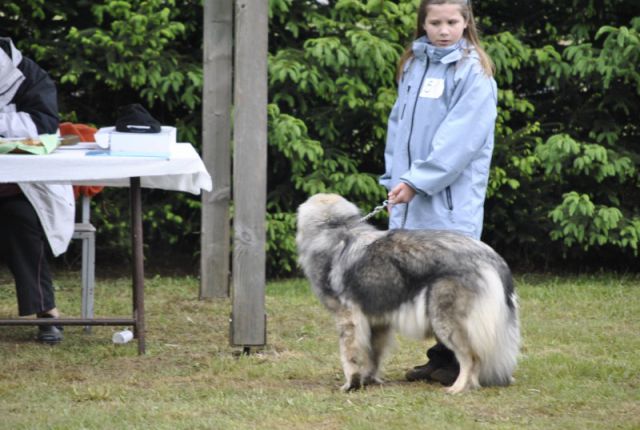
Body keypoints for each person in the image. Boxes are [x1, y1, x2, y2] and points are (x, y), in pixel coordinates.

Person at [379, 0, 498, 385]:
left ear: (466, 23)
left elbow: (460, 140)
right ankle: (440, 356)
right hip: (411, 193)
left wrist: (418, 180)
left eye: (452, 21)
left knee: (454, 280)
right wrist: (394, 180)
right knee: (426, 281)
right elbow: (398, 129)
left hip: (448, 195)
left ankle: (464, 361)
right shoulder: (414, 64)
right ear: (423, 24)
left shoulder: (474, 72)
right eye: (435, 22)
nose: (443, 30)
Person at [0, 37, 74, 343]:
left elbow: (45, 125)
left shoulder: (30, 74)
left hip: (18, 190)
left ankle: (46, 312)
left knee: (24, 223)